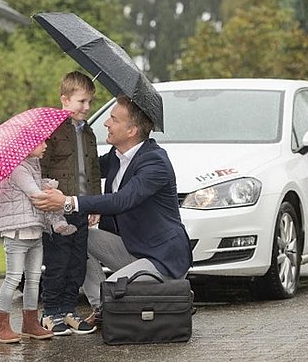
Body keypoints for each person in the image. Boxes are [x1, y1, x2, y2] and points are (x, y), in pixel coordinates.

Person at [32, 94, 192, 326]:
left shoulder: (155, 163)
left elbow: (121, 201)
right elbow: (82, 170)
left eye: (114, 119)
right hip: (131, 249)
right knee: (77, 234)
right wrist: (56, 138)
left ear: (132, 131)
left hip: (162, 258)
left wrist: (68, 201)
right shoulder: (117, 157)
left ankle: (108, 308)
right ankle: (103, 310)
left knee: (112, 290)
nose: (106, 123)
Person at [0, 140, 76, 343]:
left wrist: (45, 184)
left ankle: (30, 322)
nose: (45, 145)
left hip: (35, 231)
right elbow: (35, 194)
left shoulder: (33, 165)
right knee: (13, 277)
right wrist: (59, 197)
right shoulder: (17, 168)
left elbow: (37, 187)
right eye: (40, 142)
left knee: (34, 279)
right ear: (25, 146)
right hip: (18, 232)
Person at [38, 71, 102, 336]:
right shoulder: (51, 130)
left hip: (81, 206)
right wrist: (46, 195)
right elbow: (41, 168)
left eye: (89, 102)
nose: (86, 108)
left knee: (77, 261)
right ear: (65, 99)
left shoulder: (88, 133)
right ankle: (50, 311)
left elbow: (95, 171)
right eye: (81, 102)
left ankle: (68, 309)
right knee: (58, 260)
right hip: (57, 210)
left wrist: (95, 204)